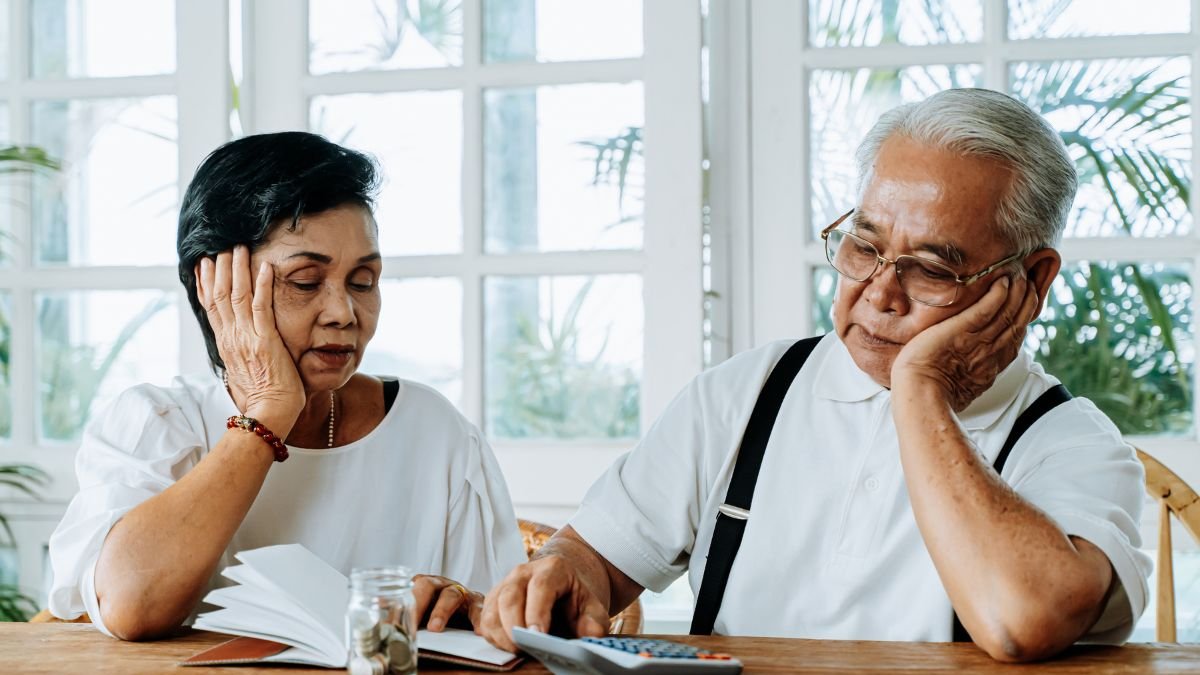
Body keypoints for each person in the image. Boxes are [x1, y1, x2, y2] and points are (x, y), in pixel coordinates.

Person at [478, 89, 1151, 662]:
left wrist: (918, 391)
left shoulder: (1076, 447)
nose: (879, 293)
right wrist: (562, 572)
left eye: (932, 268)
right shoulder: (744, 393)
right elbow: (594, 555)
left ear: (1030, 283)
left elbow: (1019, 618)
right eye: (865, 244)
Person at [47, 132, 526, 640]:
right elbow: (132, 607)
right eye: (304, 282)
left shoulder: (434, 432)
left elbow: (502, 627)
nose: (344, 314)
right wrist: (268, 410)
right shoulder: (156, 425)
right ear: (216, 285)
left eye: (363, 281)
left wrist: (466, 606)